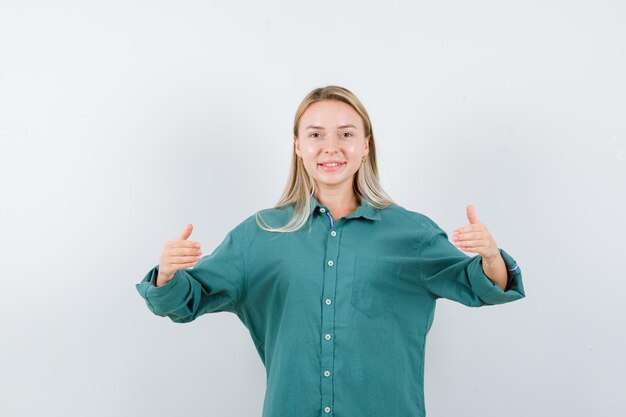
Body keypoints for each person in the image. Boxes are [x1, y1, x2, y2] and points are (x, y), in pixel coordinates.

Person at [135, 85, 525, 417]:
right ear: (298, 146)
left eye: (346, 134)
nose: (331, 147)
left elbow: (483, 287)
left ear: (366, 145)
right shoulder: (260, 234)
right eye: (316, 135)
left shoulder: (412, 234)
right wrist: (168, 273)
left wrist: (490, 258)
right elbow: (184, 301)